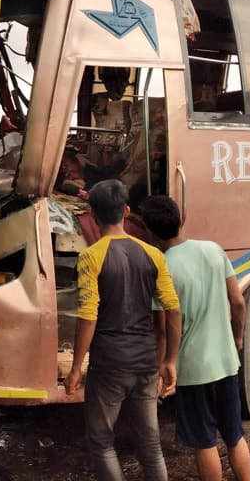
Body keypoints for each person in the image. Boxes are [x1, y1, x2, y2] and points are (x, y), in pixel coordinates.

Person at [64, 180, 182, 481]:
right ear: (127, 212)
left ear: (92, 215)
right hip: (145, 362)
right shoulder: (153, 254)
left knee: (102, 441)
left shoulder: (91, 256)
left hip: (110, 364)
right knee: (151, 444)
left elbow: (88, 317)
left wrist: (76, 367)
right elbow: (173, 308)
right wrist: (169, 359)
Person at [141, 195, 250, 481]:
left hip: (192, 370)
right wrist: (237, 339)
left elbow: (163, 330)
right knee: (234, 435)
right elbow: (238, 303)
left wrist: (162, 368)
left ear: (152, 234)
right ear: (181, 220)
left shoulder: (162, 267)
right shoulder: (214, 250)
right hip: (226, 362)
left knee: (205, 442)